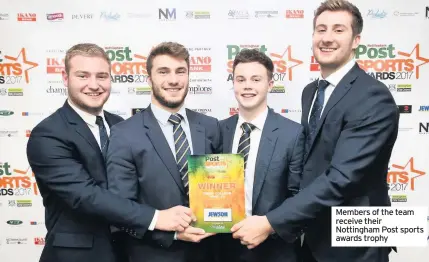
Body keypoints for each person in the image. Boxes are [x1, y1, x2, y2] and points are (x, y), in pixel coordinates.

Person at [26, 43, 192, 262]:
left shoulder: (121, 125)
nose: (94, 85)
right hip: (78, 256)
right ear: (65, 78)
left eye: (102, 76)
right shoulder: (48, 134)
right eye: (83, 76)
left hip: (128, 251)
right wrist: (156, 217)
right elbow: (85, 195)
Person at [262, 1, 399, 261]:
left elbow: (341, 178)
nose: (326, 38)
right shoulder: (311, 92)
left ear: (356, 39)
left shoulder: (373, 96)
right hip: (312, 234)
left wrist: (270, 221)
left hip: (357, 241)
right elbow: (311, 162)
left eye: (338, 30)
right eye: (320, 29)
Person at [105, 42, 222, 262]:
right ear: (149, 79)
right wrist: (174, 233)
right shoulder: (124, 133)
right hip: (154, 254)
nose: (174, 80)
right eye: (163, 72)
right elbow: (120, 208)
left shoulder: (210, 126)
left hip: (210, 252)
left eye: (181, 71)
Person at [216, 48, 305, 262]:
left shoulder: (292, 134)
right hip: (222, 249)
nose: (247, 86)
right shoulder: (217, 131)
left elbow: (299, 196)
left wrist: (269, 226)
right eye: (241, 79)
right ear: (234, 84)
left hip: (274, 250)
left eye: (256, 79)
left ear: (270, 84)